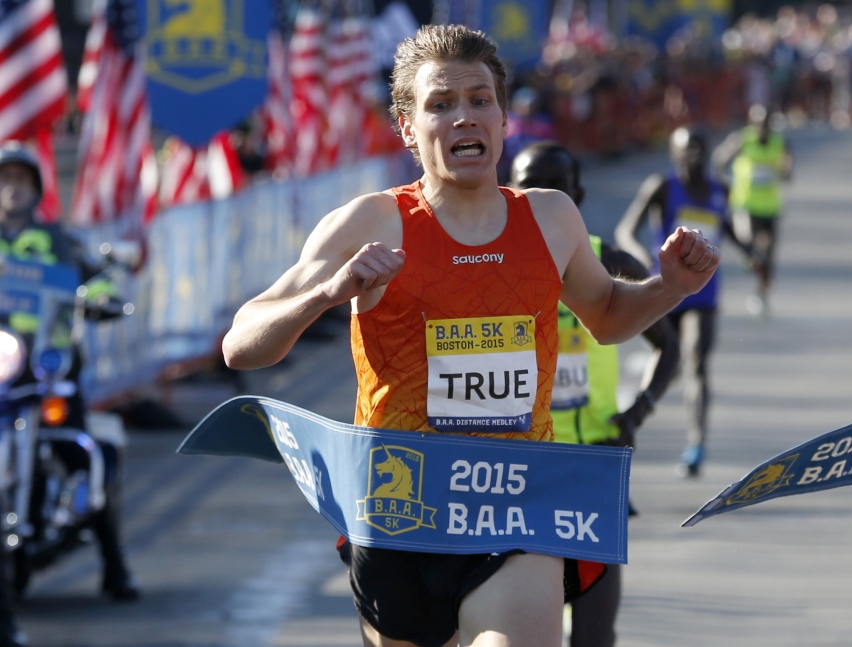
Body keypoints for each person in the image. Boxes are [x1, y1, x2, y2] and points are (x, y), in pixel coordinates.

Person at [221, 25, 719, 647]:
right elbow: (241, 344)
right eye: (441, 104)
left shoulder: (551, 217)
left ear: (505, 117)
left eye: (480, 100)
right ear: (408, 127)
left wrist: (669, 287)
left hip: (514, 505)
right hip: (400, 511)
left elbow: (609, 316)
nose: (465, 117)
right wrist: (327, 294)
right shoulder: (373, 223)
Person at [509, 141, 676, 647]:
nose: (540, 197)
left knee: (594, 633)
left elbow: (669, 346)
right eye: (526, 186)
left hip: (594, 466)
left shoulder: (608, 262)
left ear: (576, 195)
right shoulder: (490, 272)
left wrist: (637, 412)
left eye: (554, 186)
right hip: (519, 471)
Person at [0, 142, 140, 611]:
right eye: (5, 180)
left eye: (21, 180)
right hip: (2, 371)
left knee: (80, 451)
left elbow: (92, 278)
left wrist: (102, 297)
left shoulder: (59, 240)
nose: (12, 189)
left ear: (36, 189)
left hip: (46, 367)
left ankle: (114, 565)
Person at [617, 128, 747, 478]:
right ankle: (627, 434)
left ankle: (696, 445)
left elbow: (727, 227)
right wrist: (638, 253)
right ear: (673, 154)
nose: (694, 156)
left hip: (703, 296)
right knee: (667, 365)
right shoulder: (661, 186)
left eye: (700, 148)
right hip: (663, 292)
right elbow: (626, 229)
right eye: (686, 150)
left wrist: (752, 253)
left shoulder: (720, 189)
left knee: (698, 365)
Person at [711, 105, 792, 317]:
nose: (762, 129)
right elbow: (719, 160)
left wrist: (785, 171)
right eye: (758, 124)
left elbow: (788, 172)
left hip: (771, 206)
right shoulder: (742, 140)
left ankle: (762, 294)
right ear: (752, 123)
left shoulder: (780, 142)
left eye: (765, 125)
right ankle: (751, 261)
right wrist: (725, 187)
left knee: (769, 255)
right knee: (753, 247)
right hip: (746, 203)